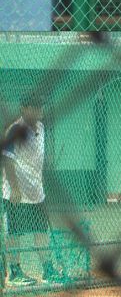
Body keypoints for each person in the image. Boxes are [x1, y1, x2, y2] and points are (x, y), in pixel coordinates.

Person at [1, 104, 63, 285]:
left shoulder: (41, 128)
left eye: (41, 106)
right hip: (16, 193)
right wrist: (14, 188)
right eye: (34, 107)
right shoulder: (15, 130)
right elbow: (7, 160)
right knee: (15, 232)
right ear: (24, 108)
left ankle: (47, 269)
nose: (39, 110)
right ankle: (15, 272)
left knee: (41, 231)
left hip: (36, 191)